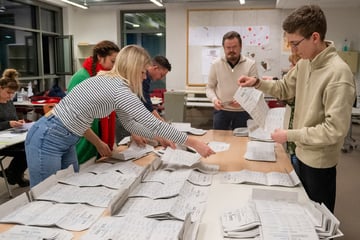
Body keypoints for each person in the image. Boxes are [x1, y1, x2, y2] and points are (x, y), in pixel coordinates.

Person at [25, 45, 215, 187]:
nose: (143, 77)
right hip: (48, 136)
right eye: (141, 72)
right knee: (46, 194)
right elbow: (152, 123)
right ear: (132, 69)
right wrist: (194, 143)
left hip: (67, 138)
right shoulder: (118, 88)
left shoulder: (114, 84)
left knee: (67, 188)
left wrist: (158, 137)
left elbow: (131, 124)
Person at [238, 5, 356, 212]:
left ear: (315, 37)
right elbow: (283, 88)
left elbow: (335, 130)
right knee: (300, 209)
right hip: (299, 152)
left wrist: (289, 135)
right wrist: (257, 82)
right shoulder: (305, 63)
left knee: (318, 215)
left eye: (295, 44)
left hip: (319, 162)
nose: (292, 50)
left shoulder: (339, 74)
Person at [67, 40, 120, 164]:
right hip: (85, 139)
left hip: (97, 138)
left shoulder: (105, 77)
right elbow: (75, 116)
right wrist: (98, 143)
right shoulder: (81, 77)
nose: (114, 66)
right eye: (112, 61)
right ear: (100, 57)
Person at [206, 31, 258, 130]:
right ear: (224, 48)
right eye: (228, 48)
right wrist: (214, 100)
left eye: (234, 47)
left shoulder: (251, 64)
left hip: (243, 112)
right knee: (219, 141)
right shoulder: (216, 64)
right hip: (221, 111)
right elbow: (209, 87)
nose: (231, 50)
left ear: (241, 46)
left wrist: (244, 101)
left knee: (241, 142)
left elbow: (256, 89)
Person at [116, 55, 172, 146]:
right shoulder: (140, 77)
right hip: (123, 119)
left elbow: (144, 102)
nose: (144, 77)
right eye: (161, 75)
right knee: (124, 148)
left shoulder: (145, 78)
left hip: (128, 120)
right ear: (155, 68)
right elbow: (146, 105)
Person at [0, 69, 29, 187]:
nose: (10, 96)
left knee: (33, 145)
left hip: (10, 137)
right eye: (8, 92)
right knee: (25, 152)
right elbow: (8, 122)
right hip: (2, 142)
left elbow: (13, 118)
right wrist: (9, 124)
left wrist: (18, 122)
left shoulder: (9, 102)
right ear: (0, 88)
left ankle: (12, 173)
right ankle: (14, 174)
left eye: (13, 94)